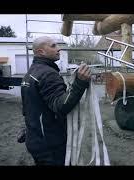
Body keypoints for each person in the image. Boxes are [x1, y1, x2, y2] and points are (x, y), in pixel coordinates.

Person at [20, 36, 91, 165]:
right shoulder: (48, 74)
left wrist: (30, 130)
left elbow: (29, 108)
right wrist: (80, 83)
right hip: (49, 144)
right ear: (41, 52)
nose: (59, 49)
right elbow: (60, 107)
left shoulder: (30, 73)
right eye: (53, 46)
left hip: (35, 139)